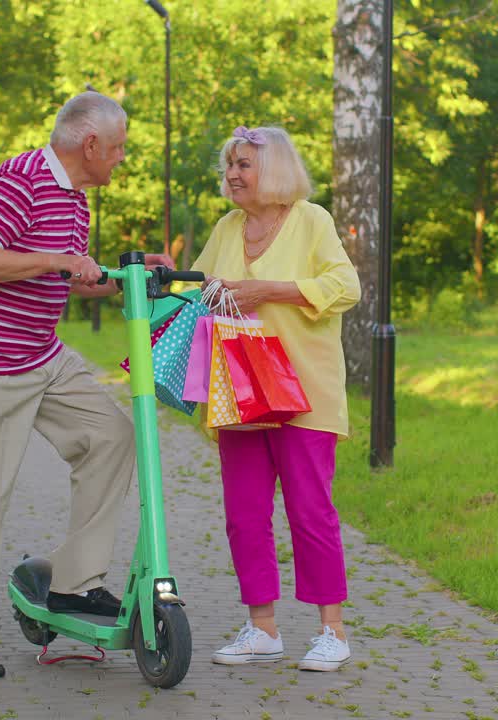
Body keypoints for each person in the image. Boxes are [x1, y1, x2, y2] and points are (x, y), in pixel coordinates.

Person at [0, 91, 174, 679]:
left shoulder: (76, 198)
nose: (121, 160)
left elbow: (69, 274)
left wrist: (129, 277)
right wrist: (52, 260)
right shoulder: (21, 179)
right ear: (90, 144)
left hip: (41, 356)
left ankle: (73, 584)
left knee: (112, 437)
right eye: (117, 149)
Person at [191, 125, 362, 671]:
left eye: (244, 164)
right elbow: (202, 286)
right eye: (229, 166)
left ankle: (331, 630)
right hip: (240, 391)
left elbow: (345, 286)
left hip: (305, 391)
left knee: (310, 511)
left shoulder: (313, 220)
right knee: (244, 514)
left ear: (275, 170)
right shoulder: (227, 227)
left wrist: (270, 291)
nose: (232, 175)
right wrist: (171, 275)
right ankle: (262, 627)